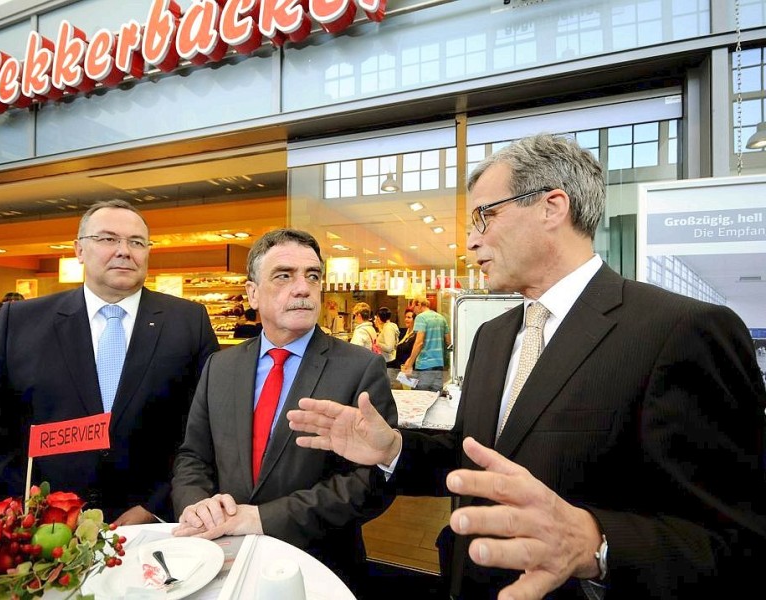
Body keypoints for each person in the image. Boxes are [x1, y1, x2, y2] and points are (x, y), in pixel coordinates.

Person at [287, 134, 766, 599]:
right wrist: (392, 448)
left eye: (483, 217)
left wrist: (596, 545)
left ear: (551, 207)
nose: (471, 242)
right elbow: (472, 458)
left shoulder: (679, 330)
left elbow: (735, 538)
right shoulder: (493, 337)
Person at [170, 229, 397, 594]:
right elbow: (193, 455)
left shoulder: (359, 368)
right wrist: (197, 504)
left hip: (317, 565)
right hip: (220, 560)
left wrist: (262, 518)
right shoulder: (220, 367)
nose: (303, 288)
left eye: (312, 276)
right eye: (284, 275)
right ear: (252, 293)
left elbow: (369, 482)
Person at [0, 199, 219, 524]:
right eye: (108, 238)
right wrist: (21, 510)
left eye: (137, 242)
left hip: (154, 523)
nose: (124, 250)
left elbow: (206, 425)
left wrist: (157, 504)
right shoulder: (20, 321)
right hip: (43, 527)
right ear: (79, 250)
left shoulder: (188, 321)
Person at [403, 295, 451, 391]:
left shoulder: (421, 318)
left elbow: (419, 343)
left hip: (424, 366)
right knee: (435, 398)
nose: (414, 312)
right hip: (439, 366)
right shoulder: (441, 318)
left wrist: (410, 363)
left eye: (414, 308)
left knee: (420, 398)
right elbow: (448, 342)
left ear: (419, 305)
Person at [386, 309, 417, 389]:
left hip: (408, 371)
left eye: (409, 317)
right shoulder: (405, 333)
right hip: (399, 370)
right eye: (405, 317)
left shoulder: (416, 336)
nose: (406, 319)